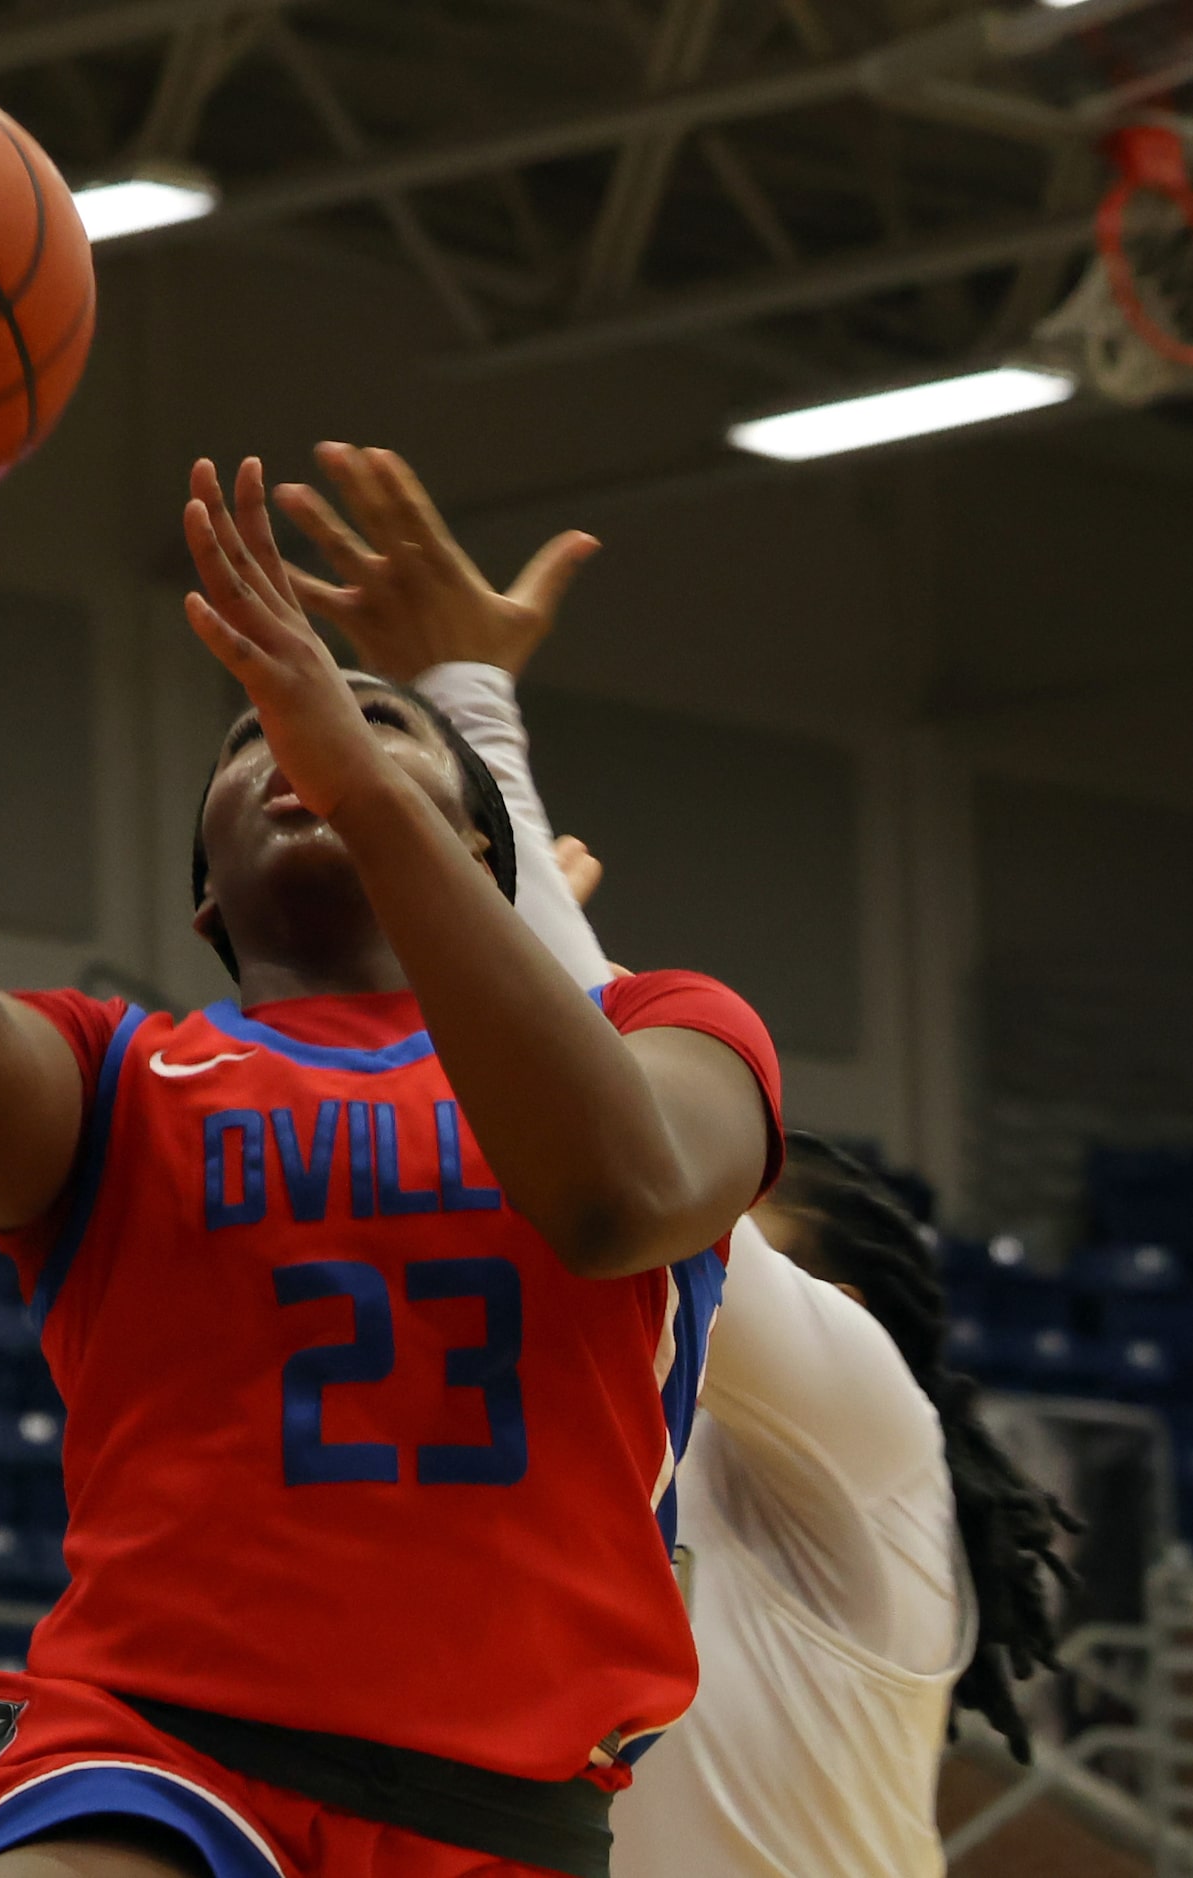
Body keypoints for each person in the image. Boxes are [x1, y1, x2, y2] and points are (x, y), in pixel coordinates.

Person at [0, 304, 783, 1878]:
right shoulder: (125, 1076)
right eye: (252, 742)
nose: (306, 740)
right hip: (153, 1754)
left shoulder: (663, 1022)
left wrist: (364, 776)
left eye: (375, 724)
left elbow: (620, 1197)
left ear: (475, 851)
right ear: (203, 906)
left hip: (501, 1818)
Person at [279, 441, 1077, 1878]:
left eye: (743, 1214)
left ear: (841, 1323)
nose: (696, 1215)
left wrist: (468, 725)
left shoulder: (856, 1456)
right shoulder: (572, 1471)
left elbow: (631, 1153)